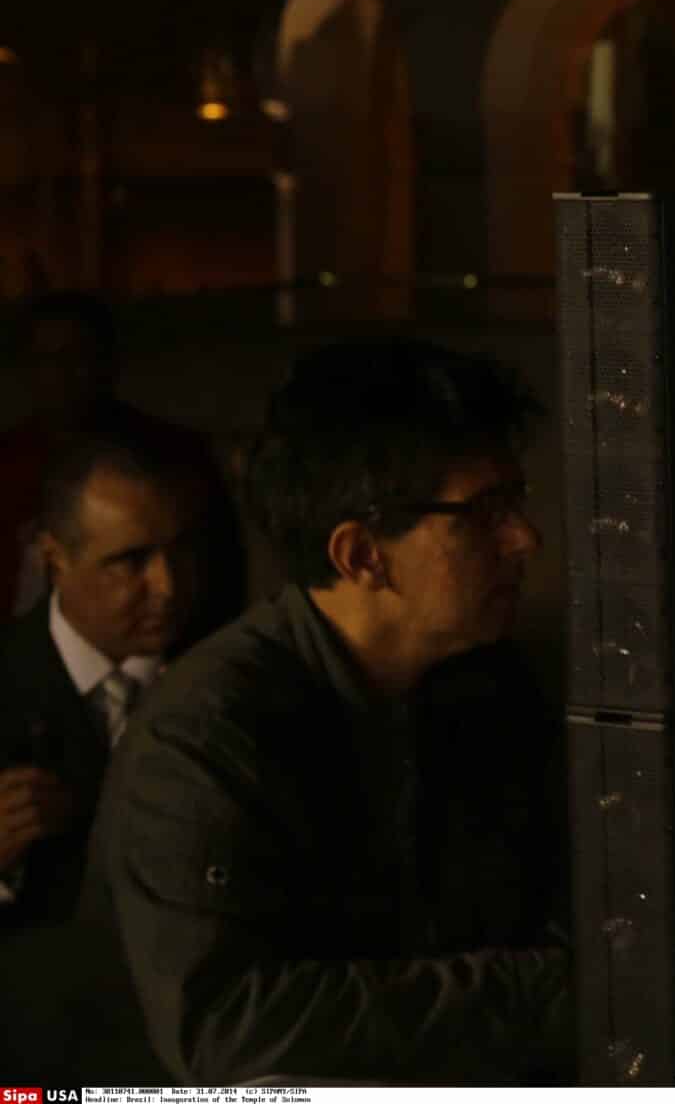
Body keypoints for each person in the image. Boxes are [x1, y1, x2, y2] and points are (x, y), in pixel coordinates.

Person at [67, 338, 571, 1084]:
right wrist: (564, 987)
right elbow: (227, 1028)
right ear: (361, 555)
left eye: (517, 502)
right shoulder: (206, 732)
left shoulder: (486, 685)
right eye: (485, 512)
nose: (525, 537)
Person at [0, 440, 212, 928]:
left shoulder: (227, 670)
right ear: (54, 558)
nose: (168, 585)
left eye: (181, 550)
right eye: (131, 560)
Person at [3, 292, 247, 633]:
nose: (65, 375)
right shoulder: (8, 463)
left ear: (108, 363)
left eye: (80, 357)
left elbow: (222, 574)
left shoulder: (174, 456)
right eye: (48, 360)